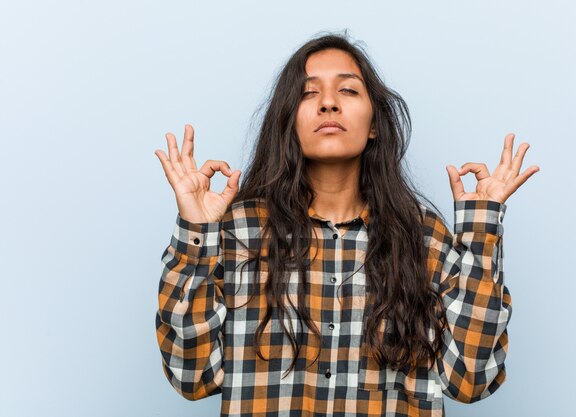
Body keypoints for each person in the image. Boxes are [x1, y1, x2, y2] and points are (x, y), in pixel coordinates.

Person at [153, 32, 539, 417]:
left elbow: (470, 380)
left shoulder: (423, 238)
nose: (328, 103)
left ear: (374, 125)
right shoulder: (238, 232)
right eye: (308, 93)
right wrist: (196, 231)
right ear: (288, 121)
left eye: (349, 91)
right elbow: (193, 377)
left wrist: (481, 229)